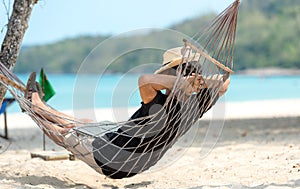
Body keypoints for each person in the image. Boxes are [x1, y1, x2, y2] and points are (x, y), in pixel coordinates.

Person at [23, 47, 230, 179]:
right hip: (131, 158)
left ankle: (34, 108)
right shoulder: (196, 105)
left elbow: (144, 80)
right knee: (84, 123)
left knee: (65, 132)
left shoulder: (159, 105)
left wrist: (185, 83)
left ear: (174, 77)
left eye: (167, 75)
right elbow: (224, 83)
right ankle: (40, 105)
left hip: (111, 159)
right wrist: (198, 83)